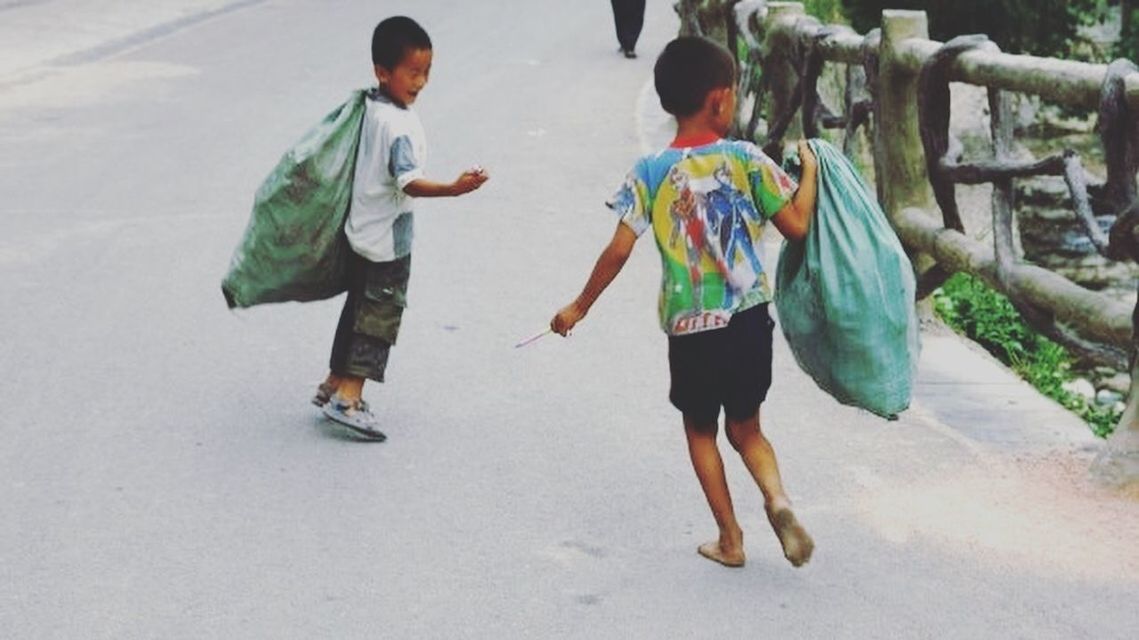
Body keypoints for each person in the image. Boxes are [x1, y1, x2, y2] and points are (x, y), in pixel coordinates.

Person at [550, 36, 818, 568]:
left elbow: (618, 250)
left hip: (691, 328)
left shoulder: (648, 172)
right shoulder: (745, 159)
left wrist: (579, 306)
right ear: (719, 99)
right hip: (747, 322)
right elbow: (798, 226)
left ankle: (731, 539)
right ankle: (778, 498)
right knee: (747, 429)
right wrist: (810, 171)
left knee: (701, 430)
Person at [313, 16, 489, 441]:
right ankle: (349, 398)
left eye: (427, 72)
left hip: (361, 231)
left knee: (357, 309)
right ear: (383, 72)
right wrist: (453, 188)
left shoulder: (369, 105)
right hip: (387, 242)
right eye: (413, 73)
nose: (421, 82)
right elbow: (408, 181)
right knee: (379, 318)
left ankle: (334, 381)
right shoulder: (400, 126)